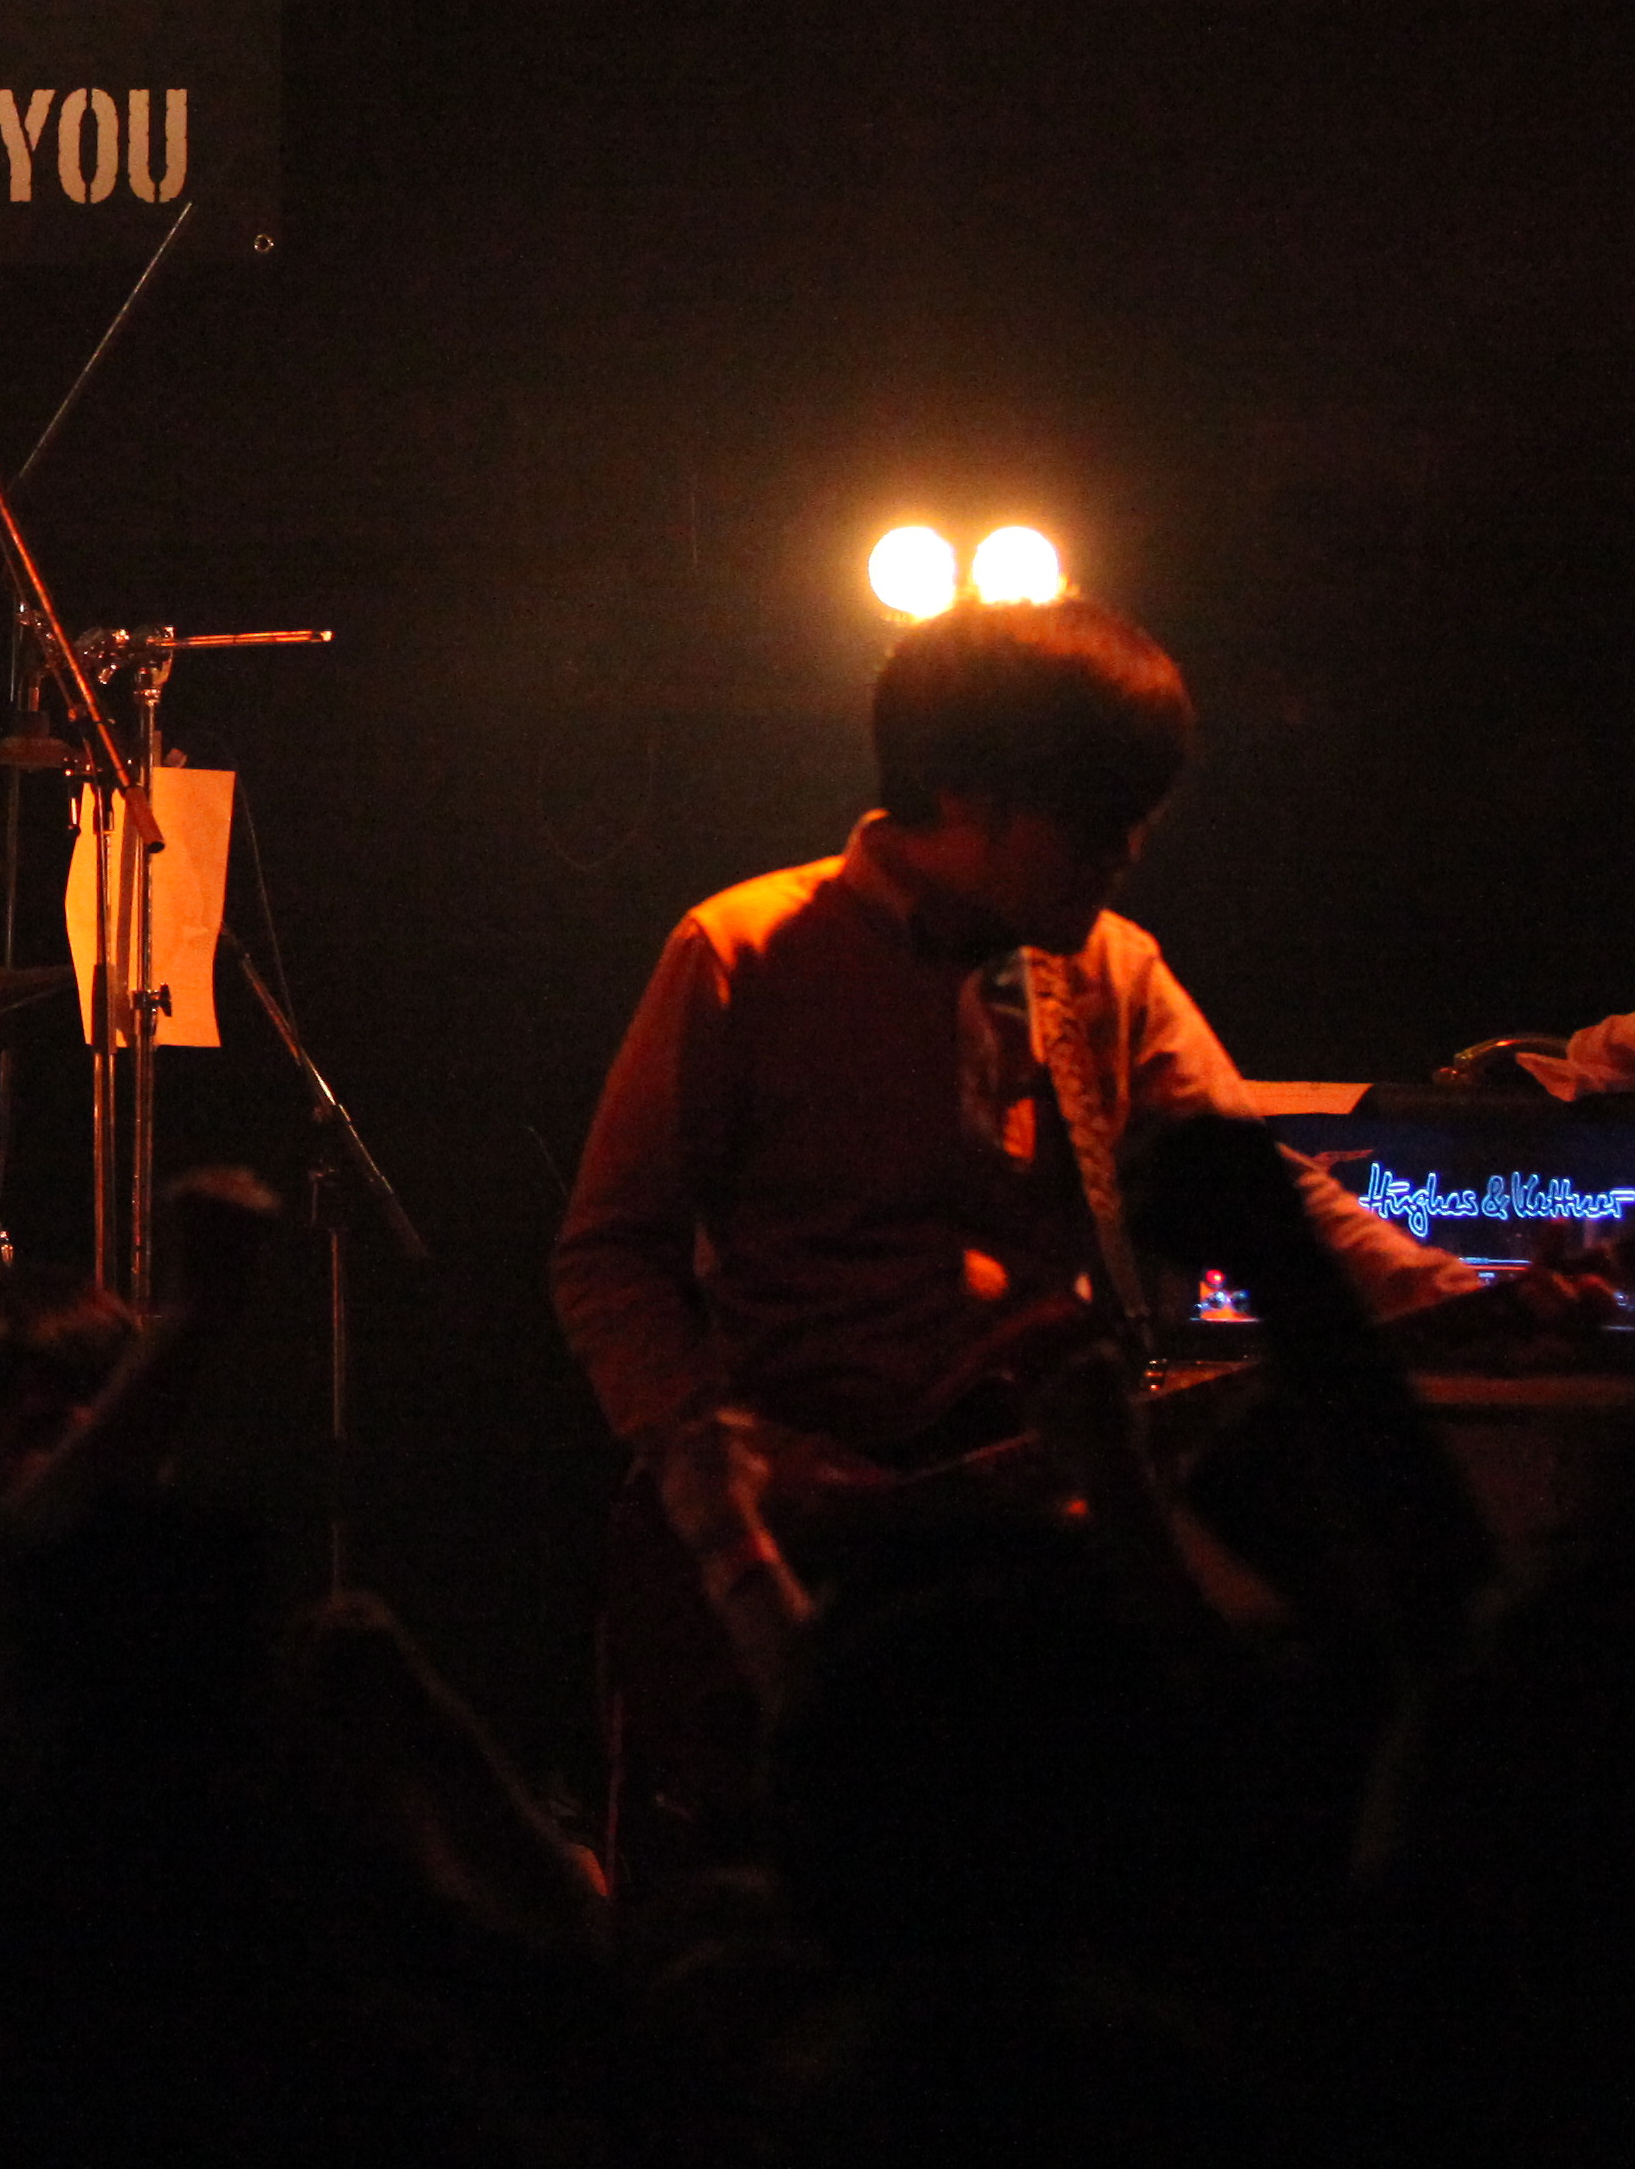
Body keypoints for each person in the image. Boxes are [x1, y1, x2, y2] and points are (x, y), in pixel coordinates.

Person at [551, 593, 1472, 1882]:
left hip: (1034, 1547)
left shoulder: (1112, 972)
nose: (1126, 849)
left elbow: (1268, 1195)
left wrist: (1464, 1293)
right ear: (961, 792)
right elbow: (610, 1254)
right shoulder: (741, 952)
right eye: (1094, 815)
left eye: (1138, 814)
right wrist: (725, 1455)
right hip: (800, 1540)